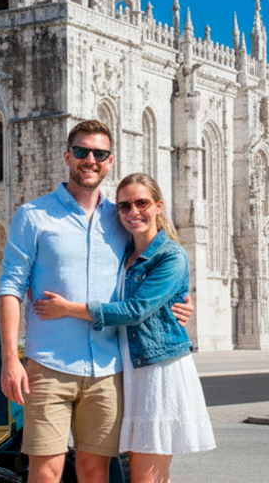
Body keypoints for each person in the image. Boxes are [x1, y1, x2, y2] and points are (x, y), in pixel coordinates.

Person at [0, 120, 193, 483]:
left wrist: (180, 298)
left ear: (110, 160)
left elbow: (154, 260)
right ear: (67, 156)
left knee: (94, 469)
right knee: (46, 469)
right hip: (49, 363)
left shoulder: (120, 216)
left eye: (99, 153)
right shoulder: (33, 215)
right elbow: (10, 287)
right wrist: (11, 359)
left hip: (108, 368)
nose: (90, 159)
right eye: (82, 151)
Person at [33, 173, 214, 483]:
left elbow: (136, 310)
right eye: (124, 206)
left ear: (158, 206)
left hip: (158, 370)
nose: (133, 212)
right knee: (144, 473)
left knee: (146, 476)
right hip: (128, 370)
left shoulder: (170, 255)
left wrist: (68, 309)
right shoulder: (124, 253)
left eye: (142, 203)